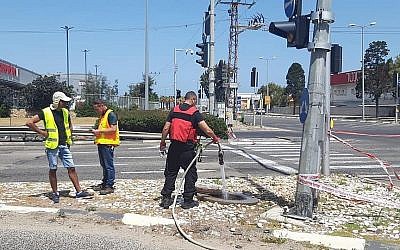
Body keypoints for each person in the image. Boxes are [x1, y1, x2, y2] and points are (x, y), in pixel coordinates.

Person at [26, 91, 91, 203]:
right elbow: (29, 122)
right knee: (53, 169)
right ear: (57, 101)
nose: (65, 103)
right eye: (63, 101)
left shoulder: (65, 112)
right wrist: (42, 132)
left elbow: (69, 125)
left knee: (71, 167)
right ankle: (55, 193)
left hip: (64, 144)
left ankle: (79, 191)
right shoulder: (45, 112)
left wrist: (69, 137)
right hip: (52, 145)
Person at [159, 91, 220, 209]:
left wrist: (162, 143)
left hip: (174, 146)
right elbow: (206, 130)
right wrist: (214, 138)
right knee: (190, 173)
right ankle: (187, 201)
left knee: (171, 173)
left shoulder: (174, 110)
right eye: (195, 101)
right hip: (187, 148)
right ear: (193, 100)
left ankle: (166, 199)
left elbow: (166, 128)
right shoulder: (194, 113)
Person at [91, 100, 119, 195]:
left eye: (96, 109)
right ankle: (105, 183)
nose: (96, 111)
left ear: (101, 106)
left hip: (108, 144)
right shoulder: (103, 115)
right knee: (104, 165)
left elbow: (113, 129)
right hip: (102, 143)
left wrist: (99, 131)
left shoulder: (110, 114)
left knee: (108, 165)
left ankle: (109, 185)